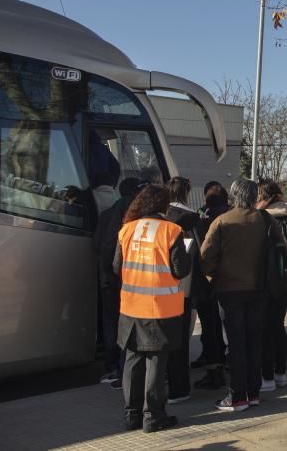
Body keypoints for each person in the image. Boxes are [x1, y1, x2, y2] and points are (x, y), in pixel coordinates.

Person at [113, 184, 190, 433]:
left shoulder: (127, 230)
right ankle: (153, 416)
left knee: (133, 359)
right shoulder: (172, 230)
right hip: (159, 308)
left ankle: (131, 415)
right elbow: (180, 270)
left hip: (131, 306)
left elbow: (116, 267)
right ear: (163, 205)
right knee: (156, 362)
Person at [200, 179, 271, 413]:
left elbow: (205, 257)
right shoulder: (265, 220)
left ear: (233, 195)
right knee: (255, 342)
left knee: (236, 343)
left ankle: (238, 395)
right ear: (254, 195)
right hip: (259, 288)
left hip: (229, 290)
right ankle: (253, 392)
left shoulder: (222, 222)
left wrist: (212, 276)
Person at [94, 177, 143, 388]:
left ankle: (112, 366)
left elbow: (98, 245)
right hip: (128, 280)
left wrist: (107, 273)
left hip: (109, 280)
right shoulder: (137, 213)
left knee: (111, 324)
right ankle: (123, 368)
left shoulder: (106, 214)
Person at [257, 181, 287, 393]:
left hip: (265, 283)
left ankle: (266, 377)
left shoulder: (261, 220)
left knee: (266, 328)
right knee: (278, 324)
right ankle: (281, 374)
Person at [163, 177, 202, 405]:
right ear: (187, 192)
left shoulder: (162, 218)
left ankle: (163, 378)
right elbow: (202, 249)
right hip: (184, 286)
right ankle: (180, 386)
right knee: (181, 339)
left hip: (156, 288)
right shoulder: (191, 218)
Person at [192, 183, 229, 389]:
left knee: (210, 324)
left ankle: (213, 366)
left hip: (208, 279)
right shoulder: (231, 216)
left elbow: (204, 252)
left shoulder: (203, 218)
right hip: (228, 279)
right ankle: (222, 359)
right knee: (225, 322)